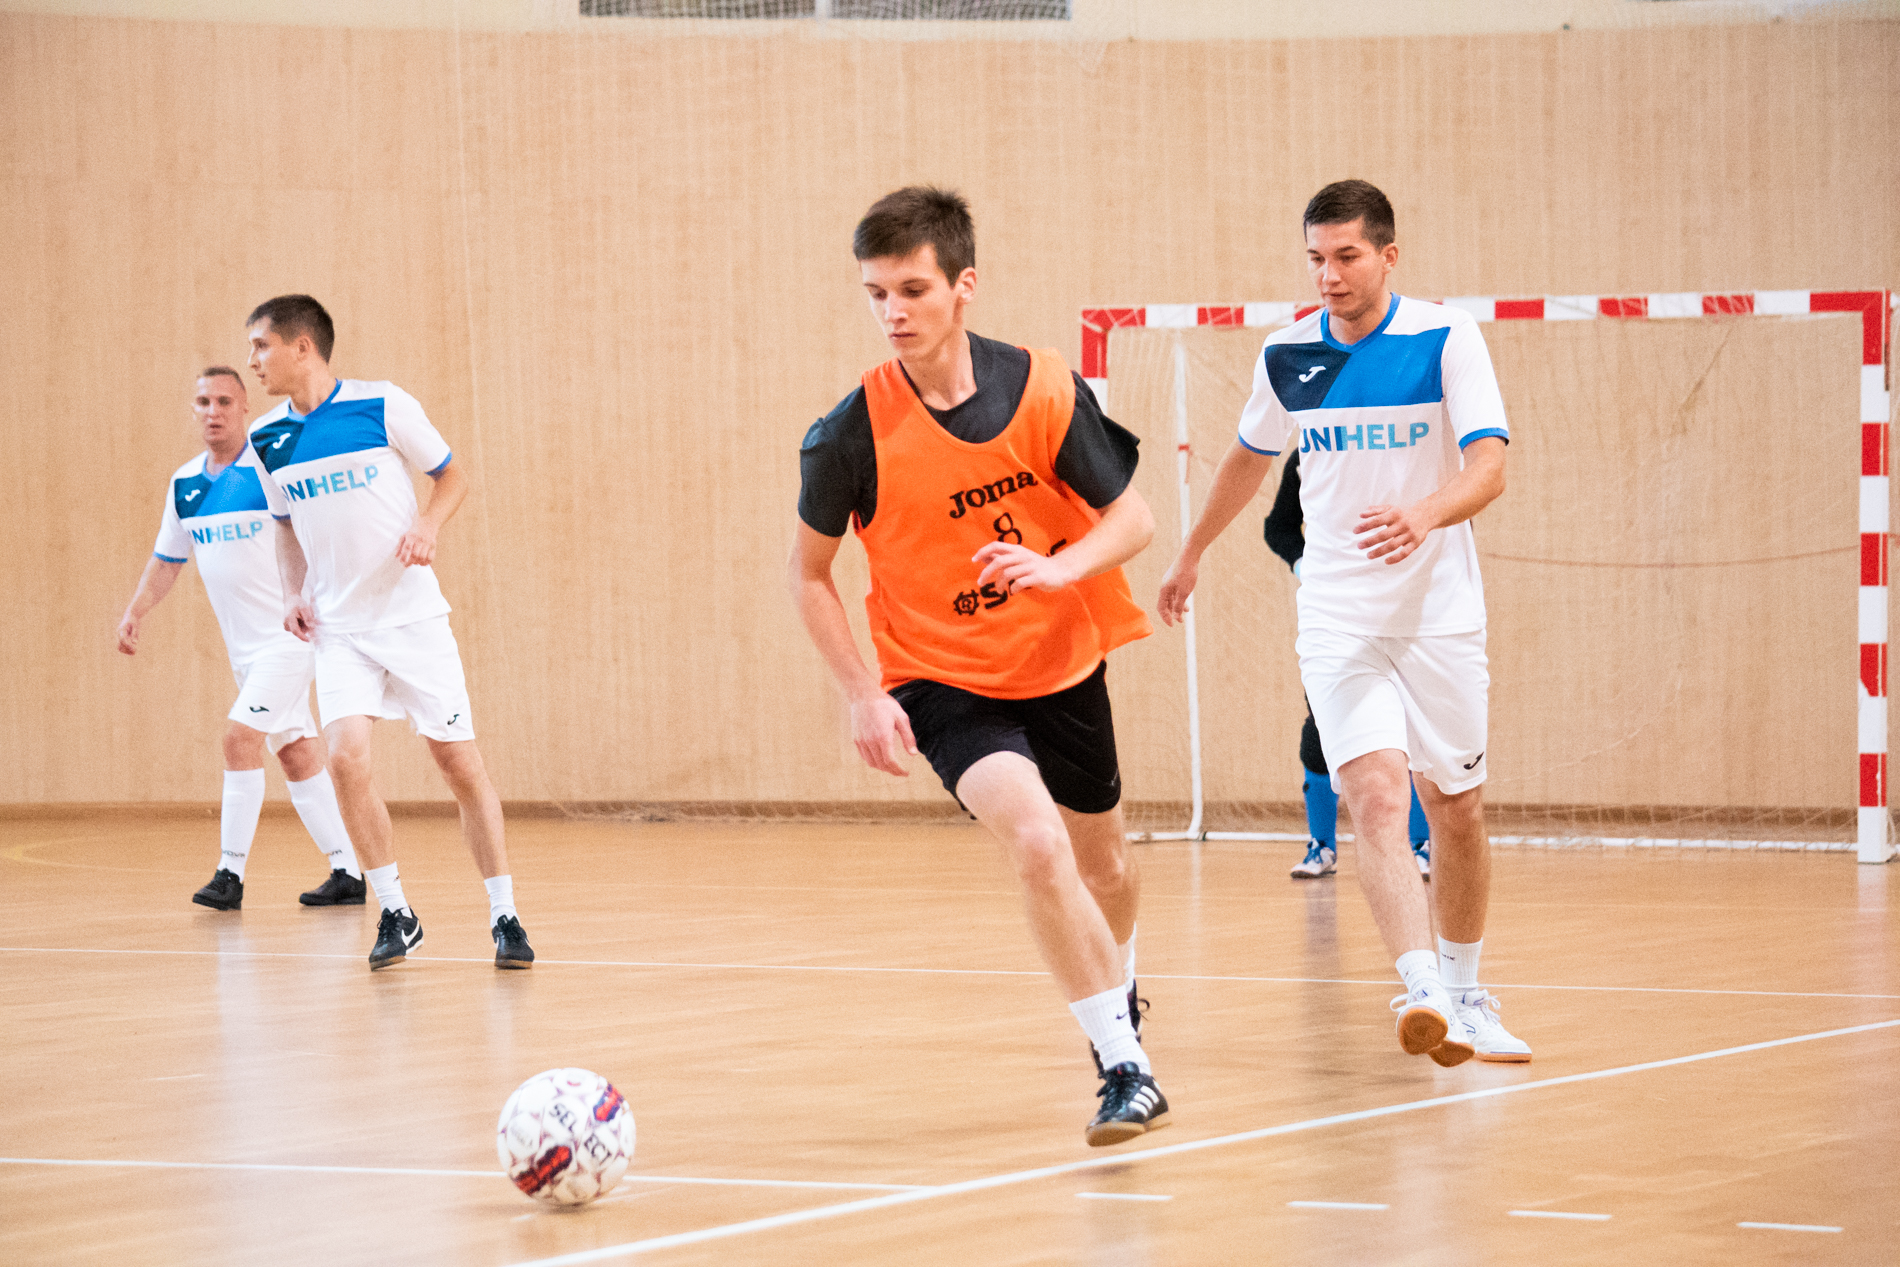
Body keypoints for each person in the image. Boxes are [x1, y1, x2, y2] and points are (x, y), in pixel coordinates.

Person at [789, 187, 1172, 1144]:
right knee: (1038, 844)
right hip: (941, 679)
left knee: (1107, 867)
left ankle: (1119, 991)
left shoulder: (1042, 389)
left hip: (1061, 660)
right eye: (876, 294)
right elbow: (808, 573)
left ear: (965, 286)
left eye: (912, 290)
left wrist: (1061, 569)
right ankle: (1123, 1066)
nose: (893, 312)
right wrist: (863, 691)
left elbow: (1133, 517)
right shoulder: (849, 434)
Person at [1159, 180, 1530, 1064]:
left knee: (1457, 808)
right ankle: (1423, 990)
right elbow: (1247, 462)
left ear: (1388, 256)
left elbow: (1490, 466)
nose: (1329, 275)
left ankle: (1468, 992)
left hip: (1438, 616)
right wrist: (1190, 551)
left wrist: (1425, 514)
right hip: (1334, 614)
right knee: (1375, 798)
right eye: (1316, 259)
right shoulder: (1287, 353)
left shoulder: (1446, 337)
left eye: (1347, 257)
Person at [240, 295, 533, 972]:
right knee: (346, 760)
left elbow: (452, 476)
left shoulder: (381, 405)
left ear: (302, 347)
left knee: (458, 764)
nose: (253, 360)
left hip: (412, 620)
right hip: (339, 630)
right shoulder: (267, 437)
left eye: (261, 345)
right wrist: (292, 592)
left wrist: (427, 525)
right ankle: (397, 912)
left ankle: (504, 913)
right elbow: (284, 526)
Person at [117, 368, 363, 910]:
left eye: (225, 401)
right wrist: (136, 610)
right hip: (244, 653)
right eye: (204, 401)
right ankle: (347, 871)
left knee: (238, 739)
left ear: (245, 407)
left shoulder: (268, 469)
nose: (214, 411)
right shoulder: (185, 484)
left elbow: (316, 533)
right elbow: (168, 559)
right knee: (296, 752)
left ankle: (230, 874)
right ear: (193, 408)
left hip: (290, 639)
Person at [1264, 452, 1432, 881]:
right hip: (1335, 618)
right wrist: (1304, 564)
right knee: (1321, 727)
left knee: (1413, 727)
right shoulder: (1307, 456)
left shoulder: (1410, 450)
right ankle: (1321, 845)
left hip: (1409, 612)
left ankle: (1422, 843)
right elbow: (1278, 526)